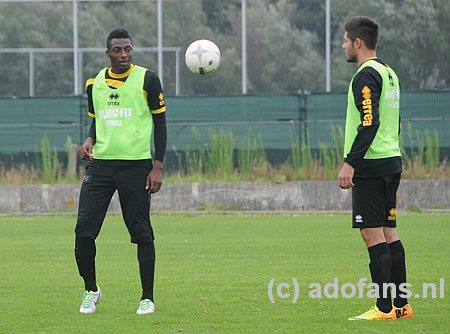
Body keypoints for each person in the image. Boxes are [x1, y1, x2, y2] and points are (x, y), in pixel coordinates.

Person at [74, 28, 167, 315]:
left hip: (137, 166)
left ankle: (147, 298)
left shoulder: (148, 79)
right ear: (108, 53)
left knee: (141, 233)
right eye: (117, 50)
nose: (124, 54)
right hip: (100, 166)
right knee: (83, 233)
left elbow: (161, 125)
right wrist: (89, 140)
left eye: (128, 48)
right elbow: (96, 122)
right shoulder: (94, 83)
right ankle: (91, 290)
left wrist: (157, 166)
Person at [337, 16, 413, 321]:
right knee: (389, 232)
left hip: (371, 166)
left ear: (358, 42)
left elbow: (370, 122)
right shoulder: (389, 73)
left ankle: (383, 309)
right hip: (391, 161)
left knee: (372, 235)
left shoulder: (365, 75)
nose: (342, 46)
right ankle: (402, 305)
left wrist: (349, 163)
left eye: (345, 40)